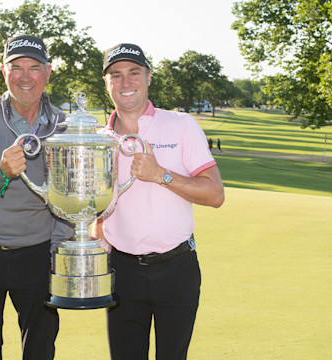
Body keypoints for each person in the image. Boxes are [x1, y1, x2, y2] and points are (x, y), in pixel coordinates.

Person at [93, 43, 225, 360]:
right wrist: (95, 223)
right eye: (116, 75)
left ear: (149, 77)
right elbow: (95, 201)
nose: (126, 82)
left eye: (134, 73)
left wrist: (160, 174)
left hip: (176, 267)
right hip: (122, 271)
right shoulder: (98, 140)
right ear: (107, 83)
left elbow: (215, 194)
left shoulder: (181, 125)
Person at [0, 34, 73, 360]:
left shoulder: (65, 126)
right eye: (16, 67)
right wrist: (1, 170)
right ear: (3, 71)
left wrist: (58, 251)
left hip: (38, 257)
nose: (25, 76)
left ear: (48, 73)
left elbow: (68, 202)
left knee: (40, 350)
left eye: (34, 68)